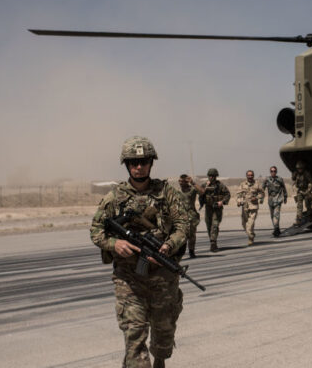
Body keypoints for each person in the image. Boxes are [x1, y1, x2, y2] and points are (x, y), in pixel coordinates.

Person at [90, 136, 191, 368]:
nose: (138, 167)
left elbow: (183, 226)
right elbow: (96, 231)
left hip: (163, 277)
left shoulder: (167, 192)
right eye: (133, 163)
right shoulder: (114, 198)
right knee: (134, 337)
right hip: (129, 280)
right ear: (126, 165)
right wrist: (115, 244)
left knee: (164, 335)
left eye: (143, 162)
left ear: (151, 163)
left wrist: (168, 246)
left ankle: (160, 361)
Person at [199, 168, 231, 252]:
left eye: (213, 176)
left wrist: (222, 202)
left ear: (216, 176)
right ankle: (213, 241)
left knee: (215, 225)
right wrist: (206, 188)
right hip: (208, 208)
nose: (211, 177)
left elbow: (227, 194)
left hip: (217, 208)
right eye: (210, 176)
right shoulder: (204, 185)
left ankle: (213, 243)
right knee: (209, 225)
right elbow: (200, 194)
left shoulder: (220, 185)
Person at [178, 174, 204, 258]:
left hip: (191, 216)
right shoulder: (177, 191)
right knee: (181, 235)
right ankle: (180, 253)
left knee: (192, 235)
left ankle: (191, 251)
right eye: (180, 181)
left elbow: (202, 192)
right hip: (180, 216)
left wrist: (193, 182)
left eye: (183, 181)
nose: (181, 183)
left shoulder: (192, 190)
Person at [236, 169, 265, 245]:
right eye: (248, 175)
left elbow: (262, 193)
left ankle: (250, 238)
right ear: (246, 176)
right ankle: (251, 234)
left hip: (253, 206)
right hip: (245, 206)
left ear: (253, 176)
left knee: (251, 223)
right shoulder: (242, 184)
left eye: (251, 175)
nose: (250, 176)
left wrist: (257, 198)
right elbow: (238, 194)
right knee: (244, 223)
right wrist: (239, 201)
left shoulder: (257, 184)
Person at [262, 165, 288, 237]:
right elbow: (262, 189)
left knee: (276, 215)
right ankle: (277, 228)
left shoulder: (280, 179)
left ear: (276, 172)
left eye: (274, 171)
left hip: (278, 199)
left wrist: (285, 197)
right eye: (272, 171)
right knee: (272, 216)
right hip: (270, 200)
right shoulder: (267, 179)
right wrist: (261, 198)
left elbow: (284, 189)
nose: (273, 172)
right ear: (270, 172)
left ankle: (276, 230)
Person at [292, 160, 312, 225]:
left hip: (306, 191)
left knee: (308, 205)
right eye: (298, 168)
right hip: (300, 191)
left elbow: (310, 182)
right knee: (299, 206)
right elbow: (293, 179)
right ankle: (298, 220)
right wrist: (294, 174)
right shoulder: (296, 174)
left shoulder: (306, 174)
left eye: (300, 168)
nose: (299, 170)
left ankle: (310, 217)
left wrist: (308, 191)